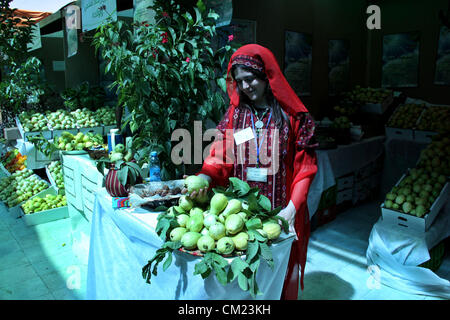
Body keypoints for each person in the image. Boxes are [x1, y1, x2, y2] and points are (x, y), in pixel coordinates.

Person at [188, 44, 318, 300]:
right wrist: (205, 175)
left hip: (279, 212)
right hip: (240, 212)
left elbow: (305, 168)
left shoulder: (294, 117)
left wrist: (291, 210)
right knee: (243, 279)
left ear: (266, 76)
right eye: (240, 81)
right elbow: (221, 154)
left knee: (275, 275)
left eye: (251, 79)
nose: (246, 87)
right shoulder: (236, 114)